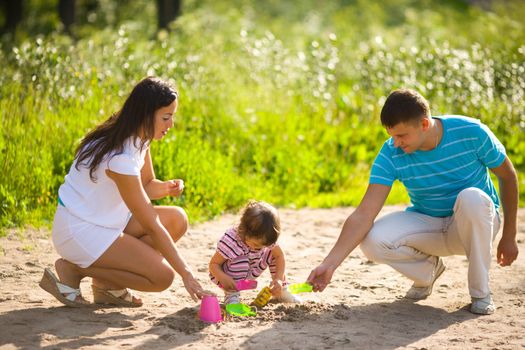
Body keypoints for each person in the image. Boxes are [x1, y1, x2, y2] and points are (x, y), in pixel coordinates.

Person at [307, 89, 519, 315]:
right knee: (372, 239)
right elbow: (363, 214)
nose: (395, 143)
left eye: (401, 136)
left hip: (474, 223)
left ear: (424, 124)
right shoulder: (391, 152)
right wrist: (329, 264)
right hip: (429, 225)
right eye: (391, 136)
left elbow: (508, 176)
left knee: (471, 197)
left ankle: (480, 293)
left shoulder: (472, 132)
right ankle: (427, 272)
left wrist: (509, 235)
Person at [39, 76, 205, 307]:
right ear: (146, 115)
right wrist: (187, 274)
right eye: (166, 117)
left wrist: (165, 187)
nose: (171, 124)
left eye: (172, 117)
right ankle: (74, 269)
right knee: (162, 277)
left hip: (106, 220)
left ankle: (107, 286)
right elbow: (150, 224)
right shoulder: (120, 157)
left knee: (177, 219)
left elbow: (146, 186)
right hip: (80, 230)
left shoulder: (138, 137)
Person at [209, 200, 300, 305]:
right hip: (230, 275)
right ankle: (231, 295)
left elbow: (279, 255)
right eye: (257, 245)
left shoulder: (265, 237)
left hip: (253, 266)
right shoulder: (231, 241)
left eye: (264, 245)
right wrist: (223, 277)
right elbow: (213, 265)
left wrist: (279, 279)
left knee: (273, 254)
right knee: (241, 259)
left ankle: (281, 290)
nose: (260, 248)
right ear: (244, 231)